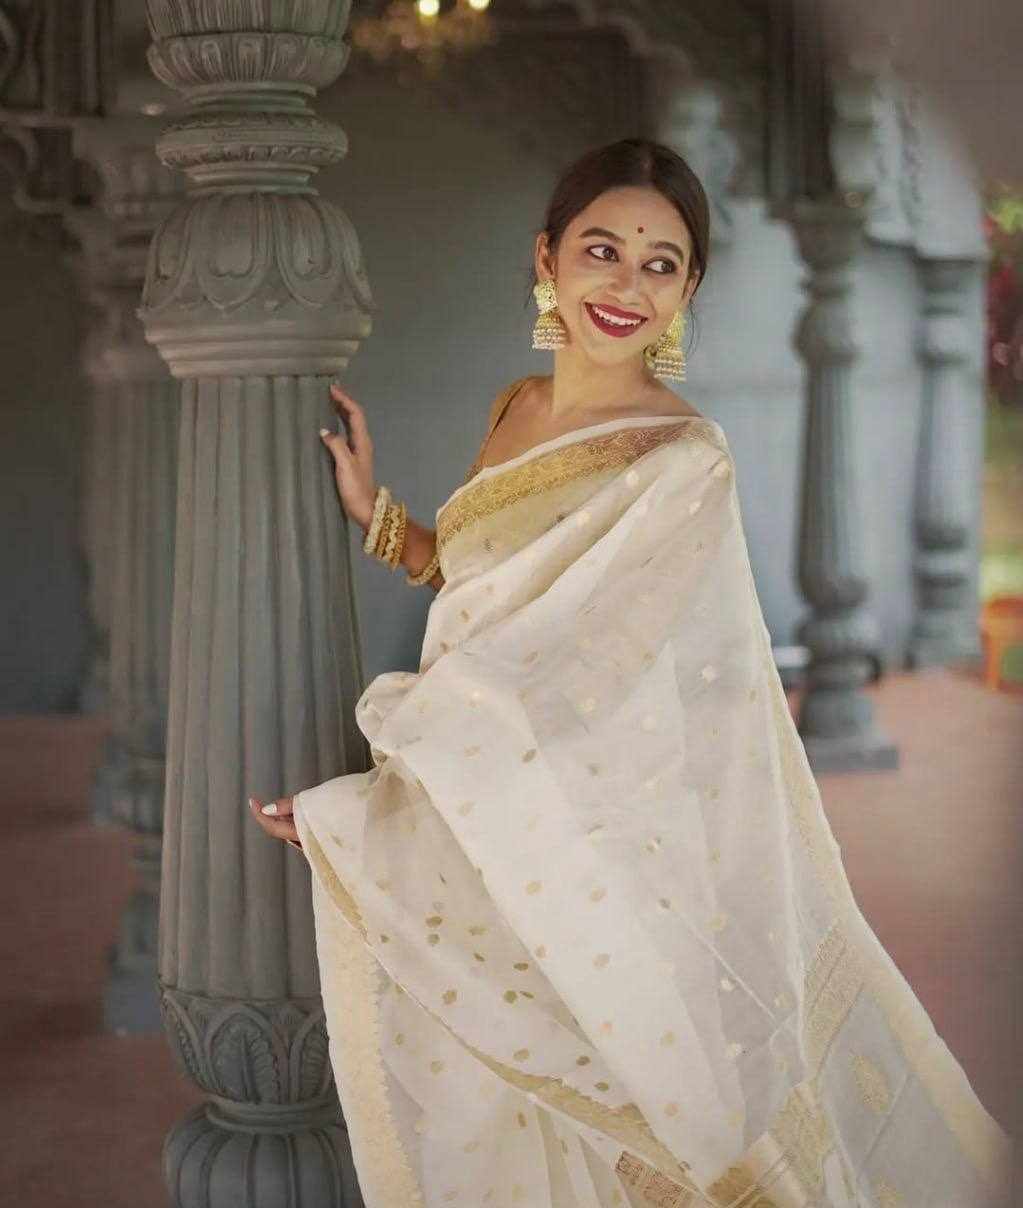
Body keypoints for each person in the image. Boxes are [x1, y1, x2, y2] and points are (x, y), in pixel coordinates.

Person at [248, 139, 1012, 1207]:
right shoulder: (518, 407)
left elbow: (578, 678)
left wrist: (370, 817)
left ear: (688, 291)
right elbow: (483, 587)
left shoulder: (681, 459)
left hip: (595, 833)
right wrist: (378, 515)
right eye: (601, 250)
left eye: (662, 264)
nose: (626, 286)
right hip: (491, 806)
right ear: (547, 258)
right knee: (507, 1127)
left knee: (650, 1119)